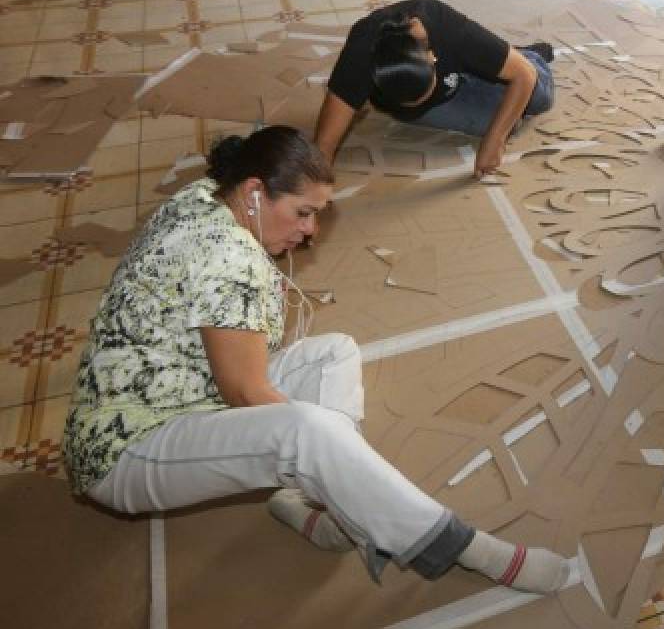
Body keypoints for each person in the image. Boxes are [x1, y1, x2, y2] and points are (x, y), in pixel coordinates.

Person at [63, 125, 568, 594]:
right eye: (303, 213)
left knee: (334, 353)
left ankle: (332, 517)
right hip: (124, 447)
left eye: (318, 215)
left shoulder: (206, 196)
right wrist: (319, 451)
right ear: (256, 192)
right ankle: (471, 550)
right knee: (306, 432)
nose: (311, 232)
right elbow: (245, 393)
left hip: (180, 387)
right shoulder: (230, 260)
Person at [315, 0, 555, 179]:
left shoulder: (450, 29)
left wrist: (495, 141)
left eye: (423, 96)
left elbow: (525, 76)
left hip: (460, 65)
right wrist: (313, 194)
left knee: (538, 97)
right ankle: (494, 63)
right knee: (504, 120)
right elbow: (323, 146)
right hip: (445, 91)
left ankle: (522, 55)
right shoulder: (360, 55)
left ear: (432, 56)